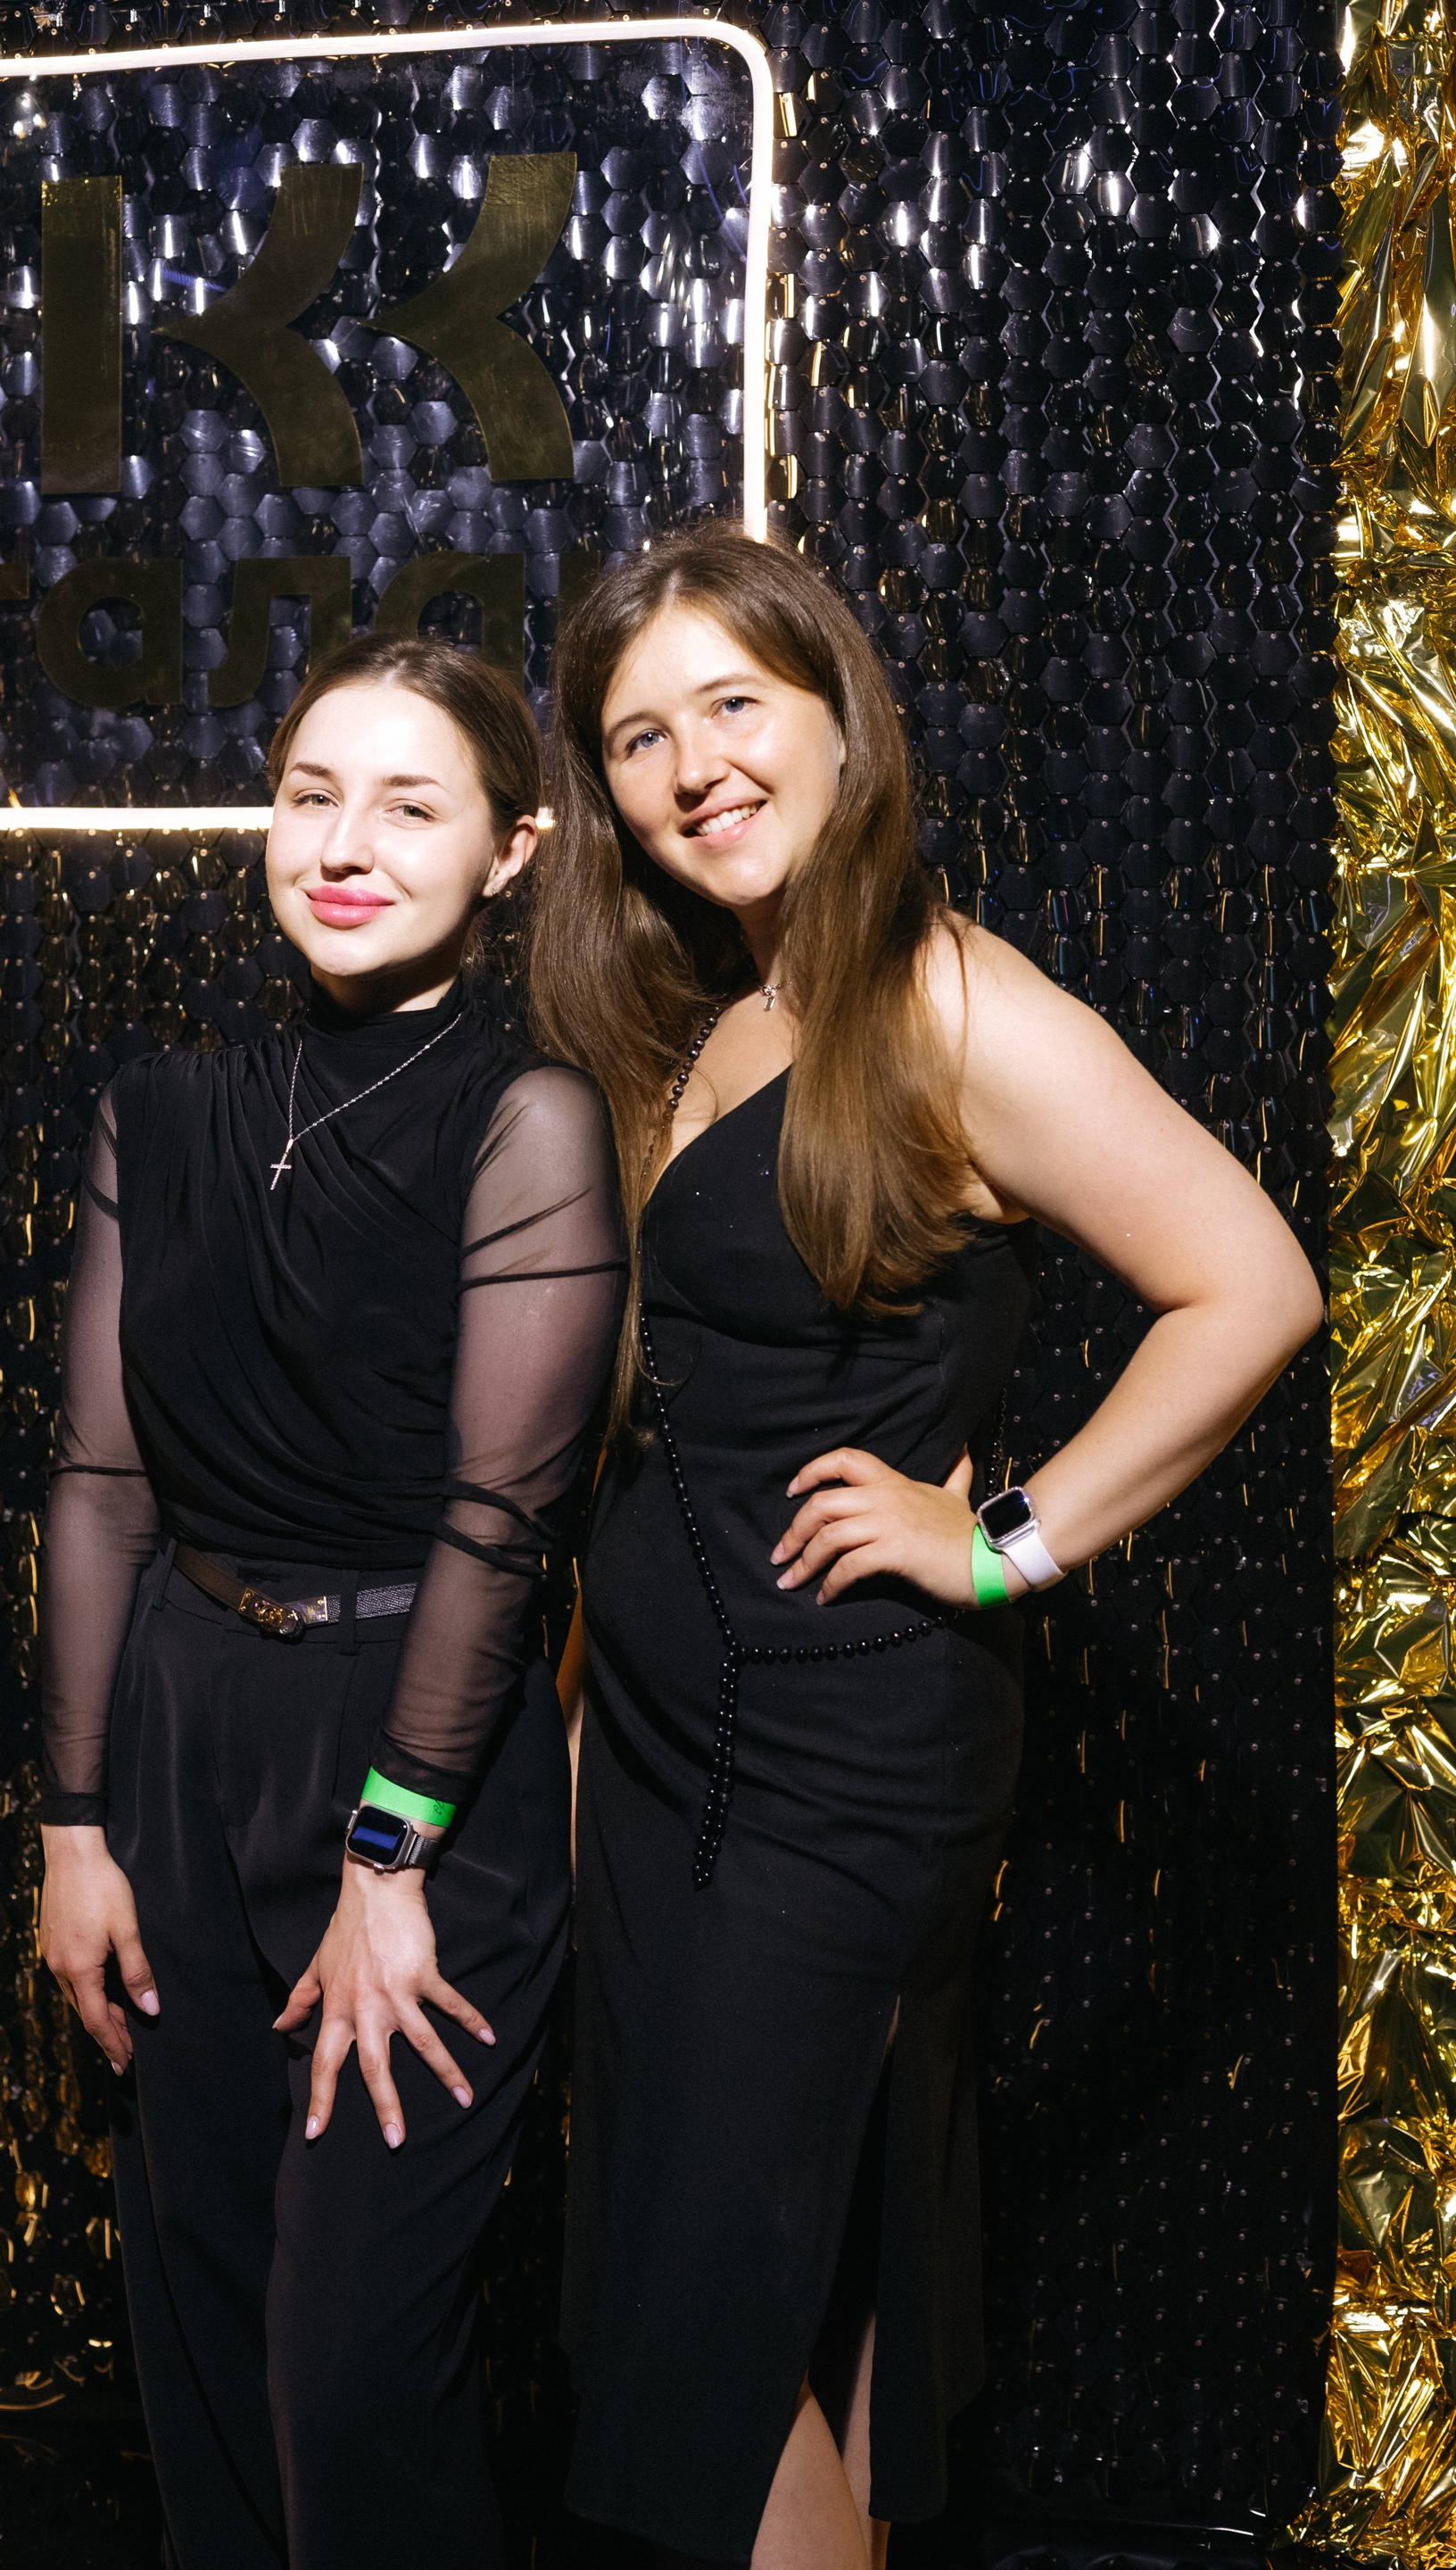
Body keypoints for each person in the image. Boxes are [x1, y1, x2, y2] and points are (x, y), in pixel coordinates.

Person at [529, 526, 1323, 2570]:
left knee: (716, 2337)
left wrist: (1002, 1545)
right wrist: (586, 1716)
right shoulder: (716, 1012)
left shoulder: (950, 999)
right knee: (791, 2289)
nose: (694, 764)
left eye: (734, 703)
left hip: (837, 1759)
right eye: (638, 736)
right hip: (669, 1750)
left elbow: (1250, 1284)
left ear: (837, 719)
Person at [36, 634, 625, 2570]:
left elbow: (501, 1523)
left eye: (409, 806)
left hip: (411, 1765)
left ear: (512, 852)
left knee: (349, 2364)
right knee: (201, 2313)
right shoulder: (160, 1109)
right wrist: (74, 1824)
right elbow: (104, 1482)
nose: (345, 844)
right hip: (181, 1732)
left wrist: (391, 1860)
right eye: (312, 797)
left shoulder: (529, 1120)